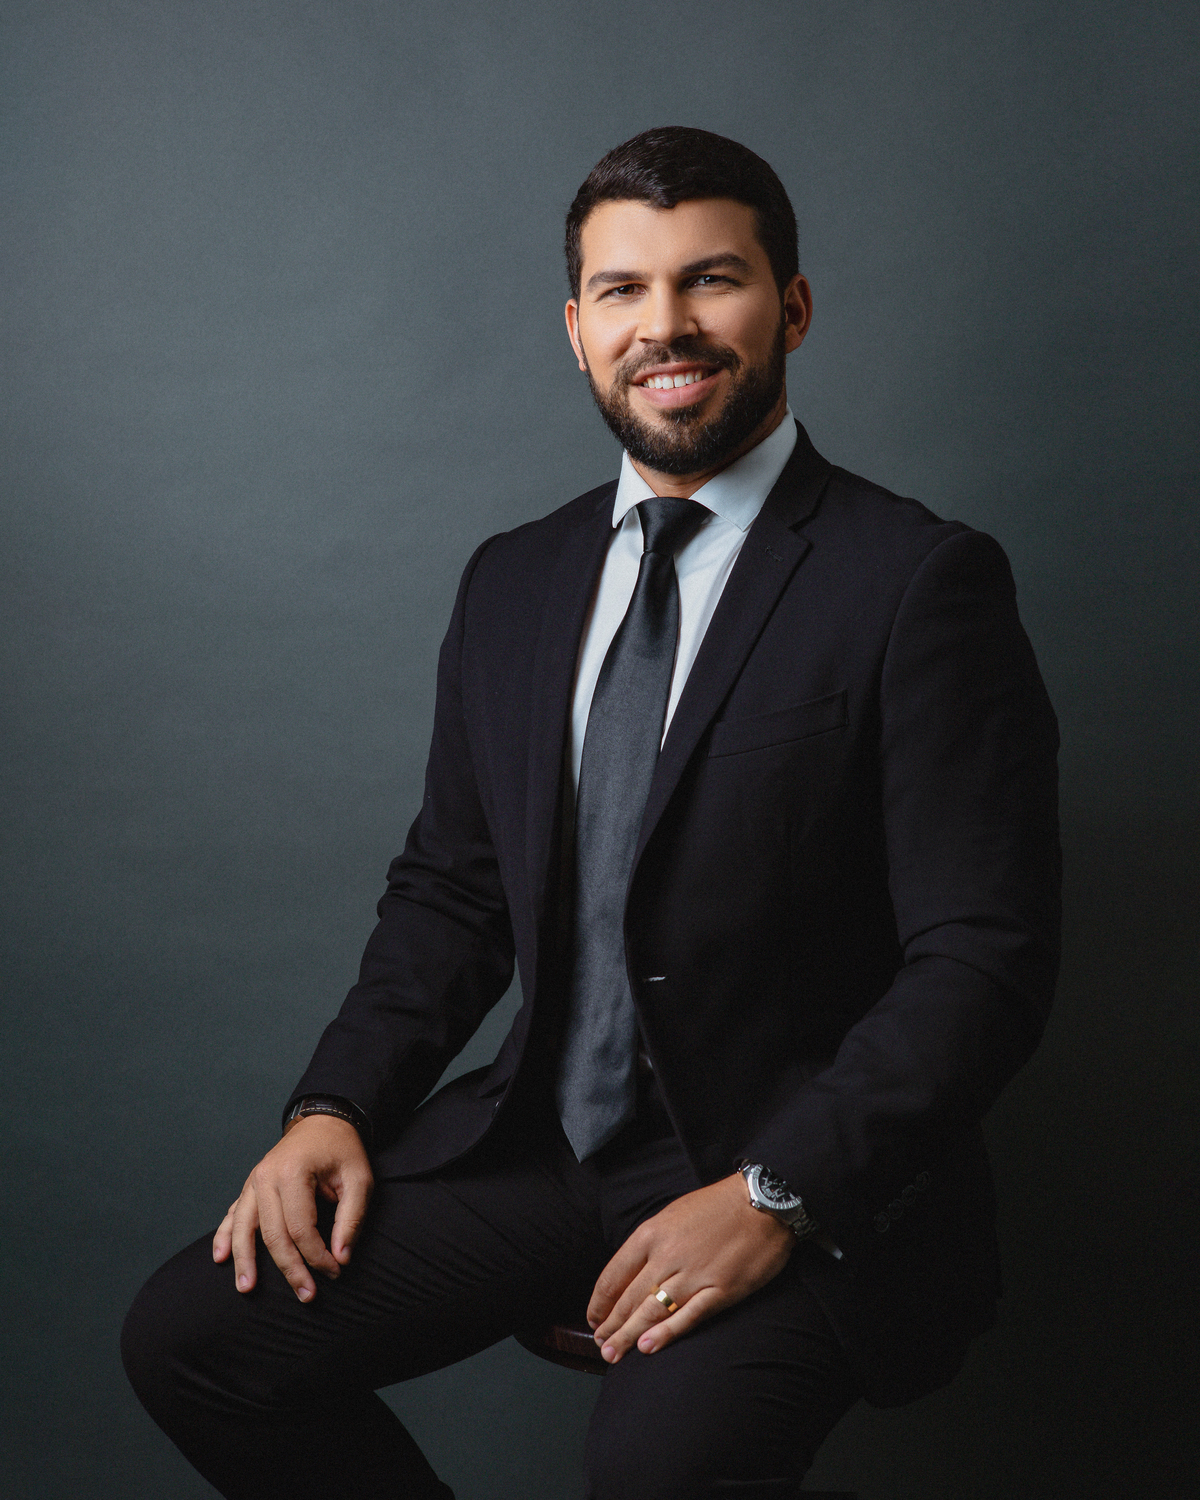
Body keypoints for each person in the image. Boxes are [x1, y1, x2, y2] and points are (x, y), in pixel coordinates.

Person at [122, 126, 1061, 1499]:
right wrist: (334, 1103)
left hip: (789, 1166)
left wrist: (779, 1193)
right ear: (577, 329)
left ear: (793, 307)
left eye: (711, 279)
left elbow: (983, 958)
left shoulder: (919, 582)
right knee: (194, 1343)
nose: (664, 325)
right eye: (623, 289)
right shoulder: (513, 581)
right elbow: (454, 891)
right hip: (548, 1150)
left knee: (655, 1473)